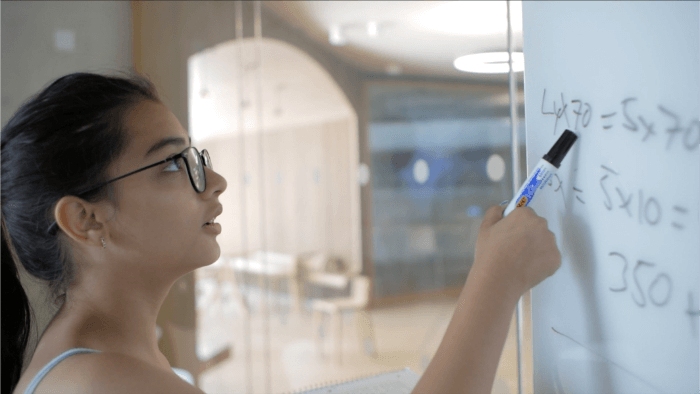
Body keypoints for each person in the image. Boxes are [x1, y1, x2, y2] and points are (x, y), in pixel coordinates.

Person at [1, 72, 560, 394]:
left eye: (198, 157)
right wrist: (498, 278)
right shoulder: (102, 382)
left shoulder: (107, 357)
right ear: (86, 219)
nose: (214, 181)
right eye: (175, 164)